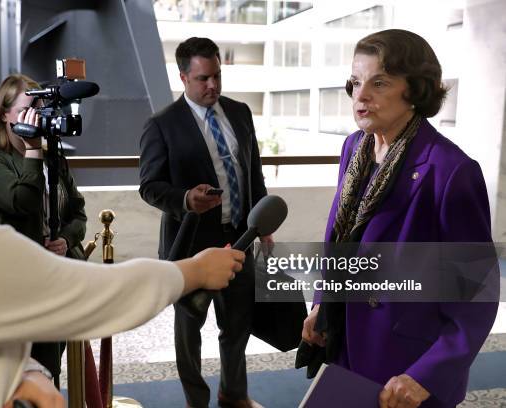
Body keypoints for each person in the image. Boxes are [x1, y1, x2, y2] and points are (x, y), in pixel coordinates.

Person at [0, 11, 245, 408]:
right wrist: (194, 270)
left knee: (51, 366)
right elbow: (97, 295)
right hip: (27, 288)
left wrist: (17, 376)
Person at [301, 29, 498, 408]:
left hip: (405, 366)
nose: (361, 96)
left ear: (415, 90)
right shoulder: (353, 148)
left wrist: (427, 374)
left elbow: (477, 292)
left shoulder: (451, 171)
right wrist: (322, 302)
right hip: (345, 344)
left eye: (379, 82)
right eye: (356, 82)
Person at [139, 37, 269, 408]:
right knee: (189, 331)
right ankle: (196, 402)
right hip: (191, 245)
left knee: (238, 325)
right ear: (183, 77)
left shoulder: (240, 113)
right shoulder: (161, 124)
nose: (212, 85)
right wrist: (184, 199)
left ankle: (234, 394)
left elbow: (252, 171)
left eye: (217, 76)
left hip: (240, 239)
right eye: (202, 79)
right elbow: (149, 186)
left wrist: (262, 220)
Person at [0, 73, 87, 386]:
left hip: (58, 280)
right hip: (18, 287)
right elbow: (22, 201)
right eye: (27, 108)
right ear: (5, 115)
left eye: (39, 106)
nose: (37, 114)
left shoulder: (54, 156)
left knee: (52, 370)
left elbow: (77, 213)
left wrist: (65, 238)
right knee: (24, 374)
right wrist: (33, 151)